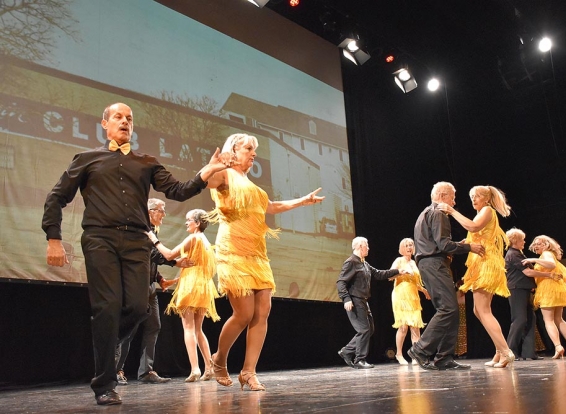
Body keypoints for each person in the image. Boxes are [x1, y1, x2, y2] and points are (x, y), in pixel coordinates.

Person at [42, 103, 227, 405]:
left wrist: (204, 173)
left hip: (137, 241)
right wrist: (53, 237)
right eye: (118, 117)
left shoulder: (146, 162)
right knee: (109, 306)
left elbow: (178, 190)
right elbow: (57, 197)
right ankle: (104, 384)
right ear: (105, 124)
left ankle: (106, 342)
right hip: (100, 238)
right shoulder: (88, 159)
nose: (125, 122)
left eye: (129, 119)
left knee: (139, 307)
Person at [205, 133, 324, 391]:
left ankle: (249, 371)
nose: (253, 153)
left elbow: (271, 206)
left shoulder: (252, 185)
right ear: (234, 151)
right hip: (233, 249)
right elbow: (208, 180)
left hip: (257, 253)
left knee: (262, 312)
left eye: (254, 149)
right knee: (244, 313)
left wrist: (303, 200)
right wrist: (215, 164)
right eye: (249, 148)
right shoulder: (225, 175)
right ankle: (219, 359)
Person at [408, 181, 484, 371]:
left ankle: (444, 357)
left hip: (431, 263)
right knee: (448, 309)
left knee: (451, 310)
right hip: (434, 264)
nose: (454, 201)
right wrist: (468, 247)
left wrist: (458, 244)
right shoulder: (439, 213)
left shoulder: (425, 213)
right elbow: (443, 245)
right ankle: (420, 349)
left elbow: (437, 243)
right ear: (443, 196)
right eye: (453, 197)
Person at [115, 198, 191, 385]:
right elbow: (153, 254)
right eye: (161, 210)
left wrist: (159, 279)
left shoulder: (152, 231)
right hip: (135, 286)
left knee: (154, 326)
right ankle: (115, 370)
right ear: (149, 211)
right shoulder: (139, 229)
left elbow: (150, 260)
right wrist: (174, 261)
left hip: (149, 286)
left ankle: (146, 371)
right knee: (129, 329)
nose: (164, 214)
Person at [438, 185, 514, 368]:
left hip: (486, 263)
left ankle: (506, 351)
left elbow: (473, 226)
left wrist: (451, 211)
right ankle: (499, 350)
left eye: (476, 196)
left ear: (486, 199)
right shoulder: (482, 212)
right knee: (478, 310)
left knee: (484, 310)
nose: (473, 200)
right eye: (471, 197)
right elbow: (475, 234)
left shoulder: (487, 210)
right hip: (481, 262)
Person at [148, 209, 220, 382]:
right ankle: (209, 367)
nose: (186, 223)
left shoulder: (193, 238)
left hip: (191, 286)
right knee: (198, 329)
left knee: (188, 328)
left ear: (197, 223)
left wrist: (154, 239)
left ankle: (195, 369)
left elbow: (169, 255)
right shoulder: (205, 241)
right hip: (203, 286)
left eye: (188, 220)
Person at [336, 237, 406, 369]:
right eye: (366, 245)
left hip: (363, 300)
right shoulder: (351, 262)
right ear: (359, 247)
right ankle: (359, 359)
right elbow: (341, 282)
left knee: (370, 329)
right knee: (364, 329)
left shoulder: (364, 263)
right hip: (354, 300)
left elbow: (378, 274)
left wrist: (397, 272)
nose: (368, 248)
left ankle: (346, 351)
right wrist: (346, 298)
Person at [504, 228, 560, 361]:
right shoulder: (513, 254)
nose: (524, 242)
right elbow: (528, 272)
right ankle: (509, 351)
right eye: (522, 239)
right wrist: (548, 275)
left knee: (530, 319)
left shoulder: (519, 253)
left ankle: (528, 353)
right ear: (516, 240)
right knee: (519, 319)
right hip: (517, 289)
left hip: (525, 289)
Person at [524, 235, 566, 359]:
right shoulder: (547, 255)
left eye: (539, 243)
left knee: (548, 320)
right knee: (559, 319)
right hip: (556, 289)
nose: (536, 246)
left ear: (547, 245)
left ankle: (558, 346)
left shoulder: (546, 254)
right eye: (535, 244)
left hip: (548, 290)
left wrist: (533, 259)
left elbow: (551, 265)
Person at [389, 238, 430, 365]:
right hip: (400, 295)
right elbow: (390, 276)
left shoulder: (414, 263)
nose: (409, 247)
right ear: (402, 248)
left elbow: (416, 283)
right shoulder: (399, 260)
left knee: (415, 327)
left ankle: (415, 355)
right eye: (406, 245)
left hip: (413, 296)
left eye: (411, 245)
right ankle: (399, 354)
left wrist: (424, 291)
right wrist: (400, 272)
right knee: (403, 327)